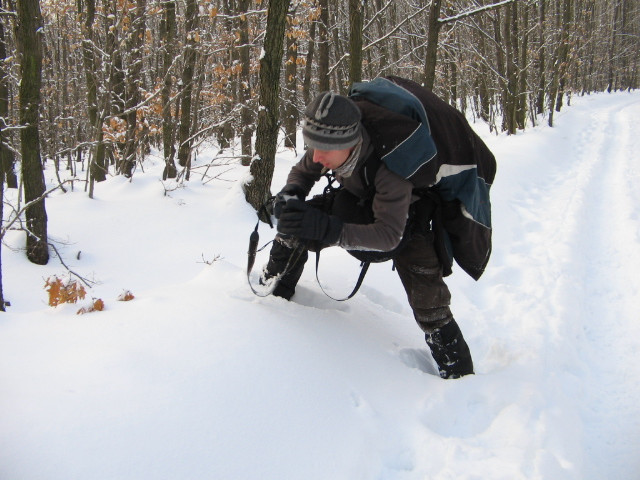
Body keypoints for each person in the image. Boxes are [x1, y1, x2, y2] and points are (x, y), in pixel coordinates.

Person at [261, 76, 496, 379]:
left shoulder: (392, 169)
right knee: (296, 221)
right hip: (359, 196)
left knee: (430, 302)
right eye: (311, 146)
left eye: (323, 151)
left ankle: (461, 378)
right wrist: (291, 193)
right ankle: (273, 293)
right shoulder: (330, 142)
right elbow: (304, 171)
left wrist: (329, 229)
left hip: (408, 217)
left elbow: (387, 236)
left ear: (349, 144)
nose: (316, 157)